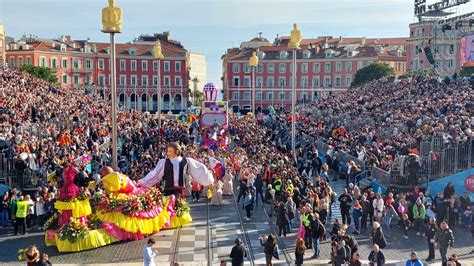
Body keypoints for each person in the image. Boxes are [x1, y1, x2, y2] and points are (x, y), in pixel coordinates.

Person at [139, 142, 214, 199]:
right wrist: (142, 182)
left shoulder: (186, 161)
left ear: (177, 151)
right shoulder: (163, 162)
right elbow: (155, 174)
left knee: (178, 209)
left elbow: (199, 168)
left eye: (170, 151)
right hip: (167, 190)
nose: (168, 153)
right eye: (167, 151)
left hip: (180, 191)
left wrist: (208, 179)